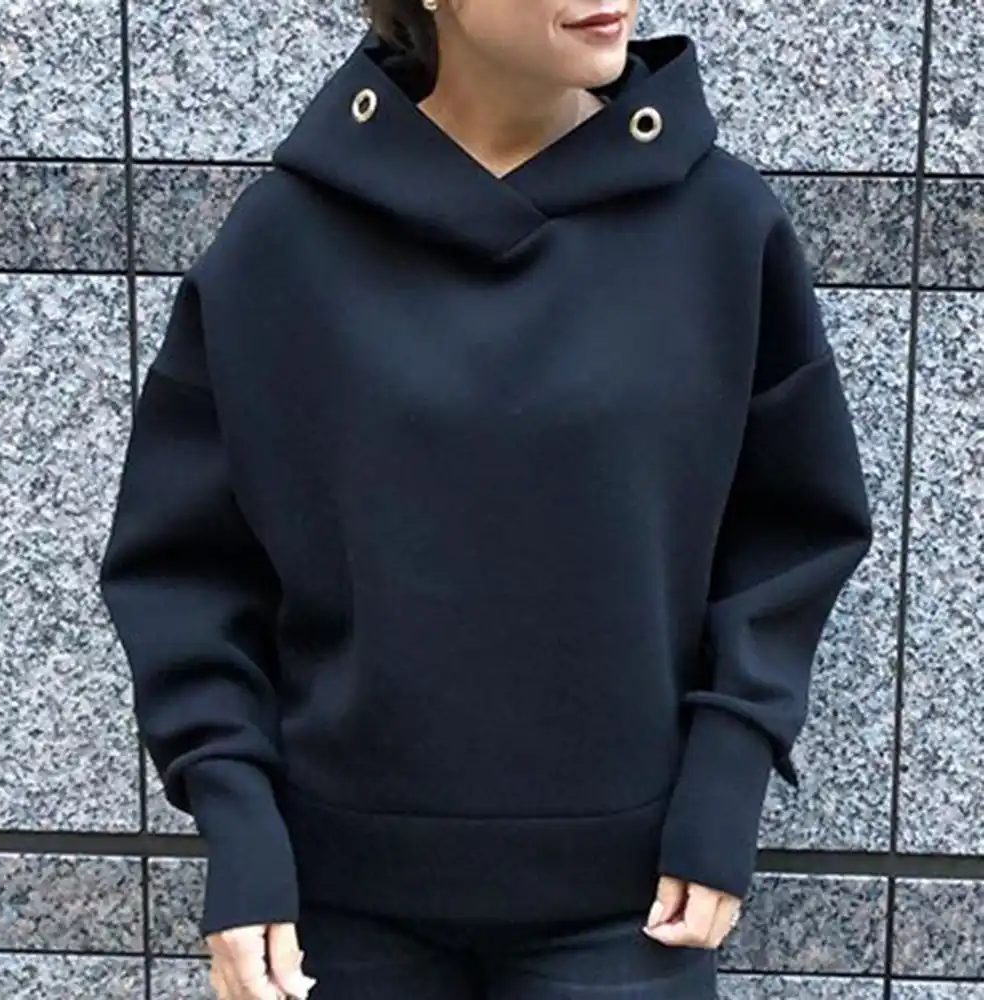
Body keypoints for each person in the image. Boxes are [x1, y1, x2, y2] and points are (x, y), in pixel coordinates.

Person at [98, 0, 874, 997]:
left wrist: (728, 774)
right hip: (340, 909)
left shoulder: (719, 226)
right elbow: (186, 565)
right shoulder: (283, 243)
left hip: (631, 908)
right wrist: (238, 822)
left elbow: (793, 530)